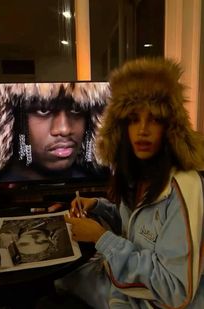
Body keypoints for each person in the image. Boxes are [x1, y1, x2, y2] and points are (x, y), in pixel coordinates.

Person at [53, 57, 204, 308]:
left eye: (154, 119)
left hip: (155, 303)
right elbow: (139, 227)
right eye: (133, 118)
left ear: (170, 126)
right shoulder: (138, 174)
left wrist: (102, 239)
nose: (142, 129)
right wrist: (99, 206)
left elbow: (176, 290)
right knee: (57, 282)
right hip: (126, 291)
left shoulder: (183, 189)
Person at [0, 82, 110, 182]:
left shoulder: (92, 181)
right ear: (12, 117)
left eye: (76, 109)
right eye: (43, 110)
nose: (64, 130)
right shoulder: (0, 187)